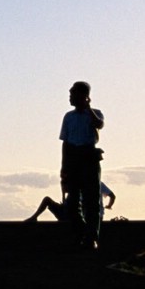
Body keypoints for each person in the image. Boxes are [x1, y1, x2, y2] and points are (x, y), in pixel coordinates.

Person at [59, 81, 105, 249]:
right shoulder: (68, 117)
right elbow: (64, 142)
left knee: (91, 200)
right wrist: (64, 167)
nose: (70, 97)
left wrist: (88, 107)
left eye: (73, 94)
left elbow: (99, 124)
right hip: (73, 158)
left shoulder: (95, 113)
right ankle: (81, 232)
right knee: (71, 203)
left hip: (89, 156)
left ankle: (92, 237)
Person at [24, 180, 116, 223]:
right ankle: (34, 217)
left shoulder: (97, 184)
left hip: (87, 216)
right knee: (47, 199)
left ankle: (68, 221)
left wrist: (109, 205)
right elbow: (112, 196)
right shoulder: (77, 185)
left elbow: (112, 196)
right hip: (72, 212)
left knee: (82, 208)